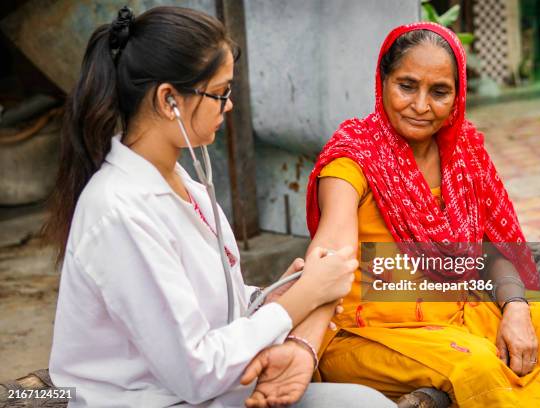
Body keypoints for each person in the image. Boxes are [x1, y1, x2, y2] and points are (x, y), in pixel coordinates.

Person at [44, 6, 395, 408]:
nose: (228, 105)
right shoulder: (119, 212)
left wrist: (274, 295)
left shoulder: (183, 182)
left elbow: (213, 311)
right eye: (220, 92)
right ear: (169, 100)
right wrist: (304, 298)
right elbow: (197, 371)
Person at [297, 22, 540, 407]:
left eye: (439, 92)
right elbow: (331, 249)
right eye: (407, 85)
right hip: (368, 336)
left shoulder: (464, 154)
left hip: (457, 315)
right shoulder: (353, 157)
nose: (421, 106)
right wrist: (298, 344)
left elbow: (493, 249)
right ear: (383, 81)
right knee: (477, 368)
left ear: (457, 96)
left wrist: (516, 309)